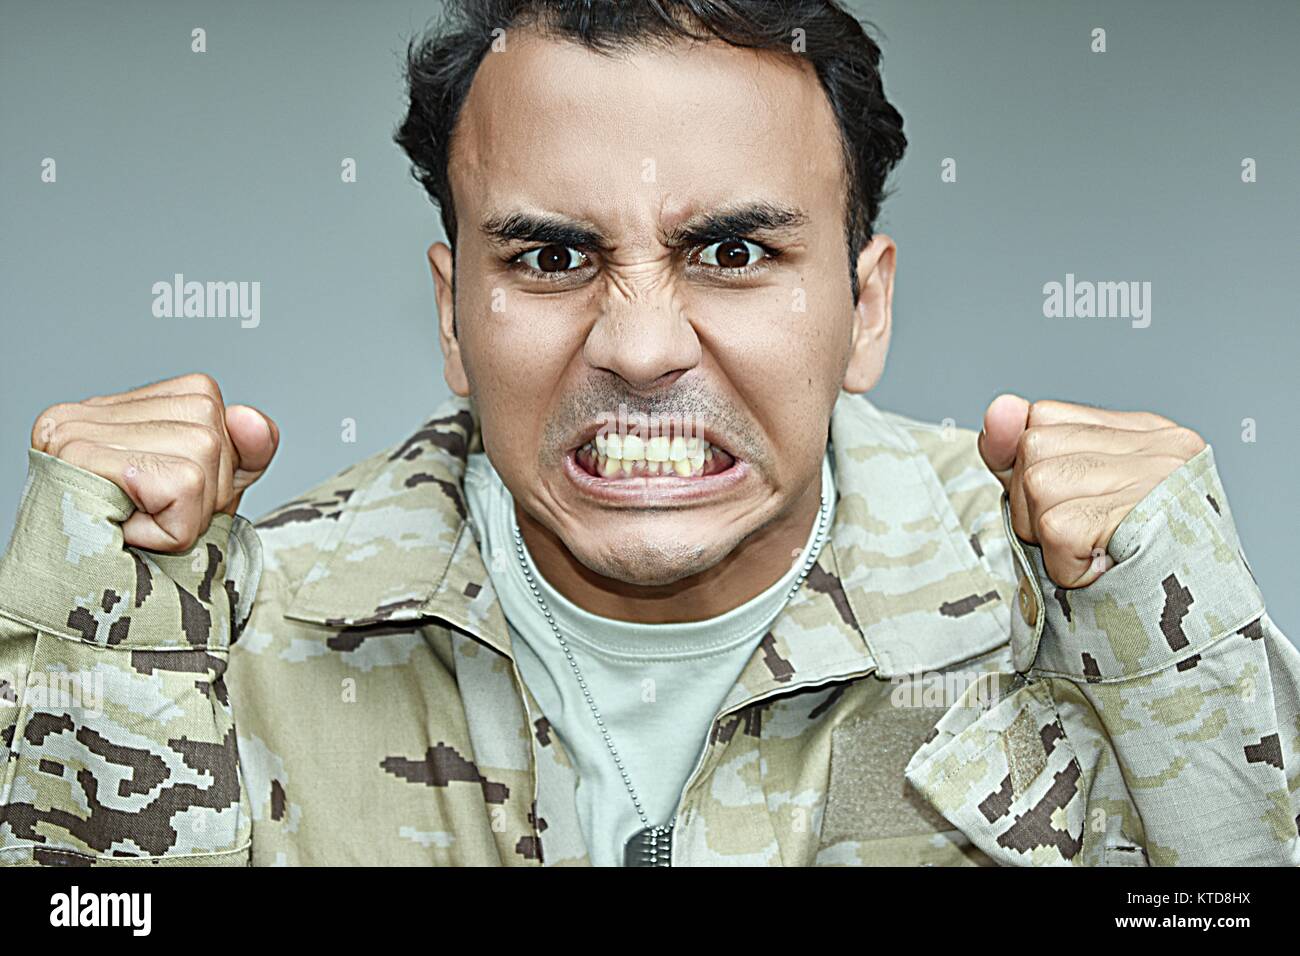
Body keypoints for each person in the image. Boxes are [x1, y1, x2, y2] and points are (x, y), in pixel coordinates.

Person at [1, 0, 1295, 867]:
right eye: (554, 256)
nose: (638, 345)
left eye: (732, 251)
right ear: (454, 317)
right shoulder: (234, 633)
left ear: (867, 304)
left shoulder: (1082, 607)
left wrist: (1186, 642)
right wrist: (88, 632)